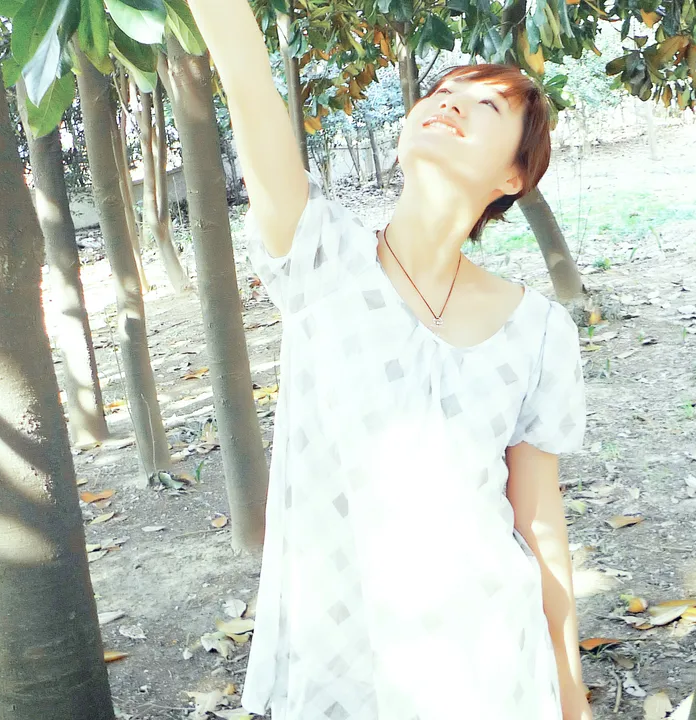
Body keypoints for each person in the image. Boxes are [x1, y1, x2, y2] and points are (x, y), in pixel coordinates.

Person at [184, 2, 591, 719]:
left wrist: (570, 690)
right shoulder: (319, 258)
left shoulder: (538, 332)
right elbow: (246, 80)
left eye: (486, 105)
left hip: (493, 661)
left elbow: (540, 527)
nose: (450, 104)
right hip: (348, 664)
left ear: (514, 177)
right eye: (442, 93)